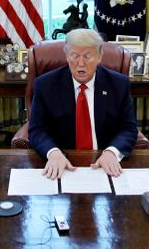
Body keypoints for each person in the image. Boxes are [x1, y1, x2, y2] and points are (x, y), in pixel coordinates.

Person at [28, 29, 137, 179]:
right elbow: (37, 130)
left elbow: (128, 128)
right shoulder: (45, 85)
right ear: (66, 56)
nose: (81, 63)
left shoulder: (118, 84)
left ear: (99, 57)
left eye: (87, 56)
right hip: (61, 164)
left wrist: (112, 152)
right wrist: (53, 153)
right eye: (74, 56)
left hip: (104, 164)